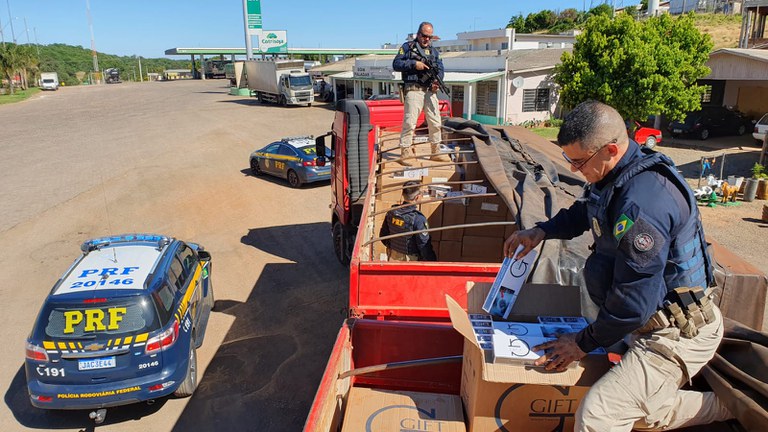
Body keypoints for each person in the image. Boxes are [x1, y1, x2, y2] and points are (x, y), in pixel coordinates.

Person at [503, 100, 733, 431]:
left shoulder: (644, 206)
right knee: (641, 412)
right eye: (569, 159)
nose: (574, 169)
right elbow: (586, 211)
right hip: (644, 324)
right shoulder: (616, 176)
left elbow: (632, 305)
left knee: (600, 414)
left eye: (579, 161)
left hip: (675, 332)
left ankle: (730, 404)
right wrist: (541, 231)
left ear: (611, 149)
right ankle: (732, 404)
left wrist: (580, 344)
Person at [392, 22, 450, 166]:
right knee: (410, 122)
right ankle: (405, 152)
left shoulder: (434, 52)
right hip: (414, 89)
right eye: (424, 36)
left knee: (435, 122)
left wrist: (438, 81)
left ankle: (435, 151)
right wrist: (413, 64)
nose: (427, 39)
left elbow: (441, 69)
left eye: (430, 37)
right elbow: (396, 64)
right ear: (418, 34)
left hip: (430, 91)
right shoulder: (407, 47)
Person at [379, 181, 437, 261]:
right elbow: (424, 246)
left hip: (393, 255)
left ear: (402, 194)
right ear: (417, 197)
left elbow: (383, 236)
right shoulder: (418, 219)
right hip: (410, 259)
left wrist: (394, 248)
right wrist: (432, 262)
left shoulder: (391, 212)